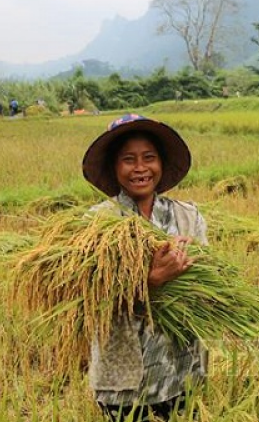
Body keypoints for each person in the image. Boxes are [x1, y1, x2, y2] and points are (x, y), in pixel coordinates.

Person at [82, 113, 207, 421]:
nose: (140, 168)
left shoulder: (188, 216)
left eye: (148, 158)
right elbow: (86, 298)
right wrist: (148, 281)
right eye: (128, 159)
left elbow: (206, 280)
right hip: (123, 375)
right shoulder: (97, 223)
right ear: (114, 167)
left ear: (161, 164)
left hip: (180, 366)